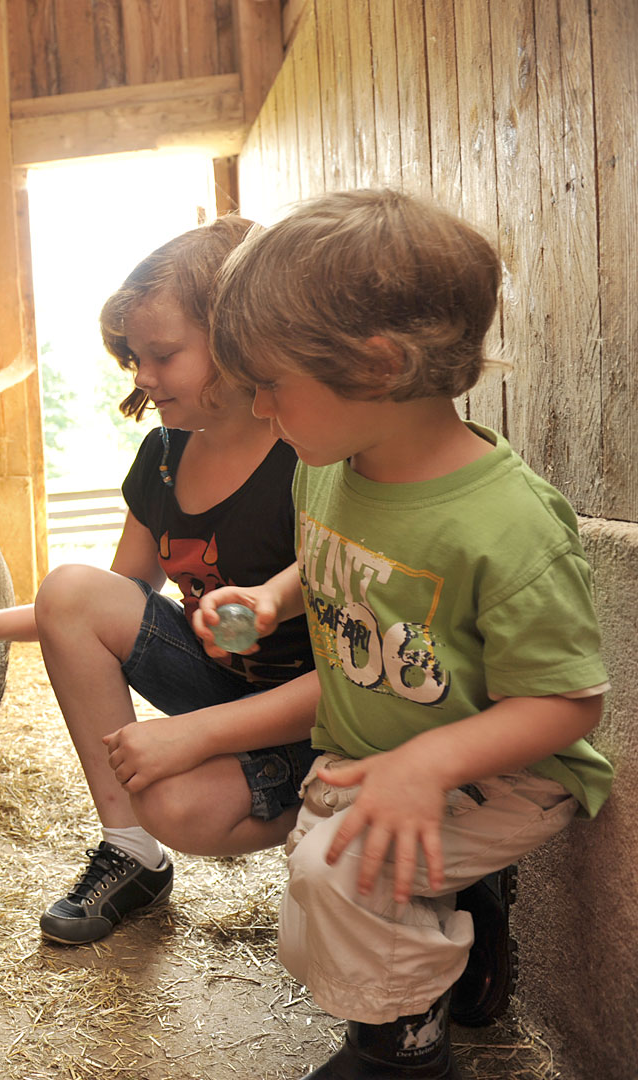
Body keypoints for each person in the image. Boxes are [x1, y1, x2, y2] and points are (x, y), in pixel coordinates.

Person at [191, 188, 613, 1080]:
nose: (260, 407)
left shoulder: (506, 524)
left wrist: (430, 764)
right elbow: (333, 561)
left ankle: (403, 1056)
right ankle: (460, 930)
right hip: (382, 751)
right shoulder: (331, 471)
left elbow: (568, 702)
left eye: (270, 384)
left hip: (505, 772)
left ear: (377, 367)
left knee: (346, 876)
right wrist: (271, 597)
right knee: (322, 876)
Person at [0, 215, 320, 947]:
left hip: (321, 714)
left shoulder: (310, 453)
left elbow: (353, 636)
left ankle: (335, 814)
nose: (142, 376)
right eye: (136, 356)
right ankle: (131, 852)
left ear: (238, 337)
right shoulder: (162, 458)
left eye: (163, 355)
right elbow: (101, 603)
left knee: (180, 801)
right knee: (71, 584)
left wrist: (196, 734)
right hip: (224, 680)